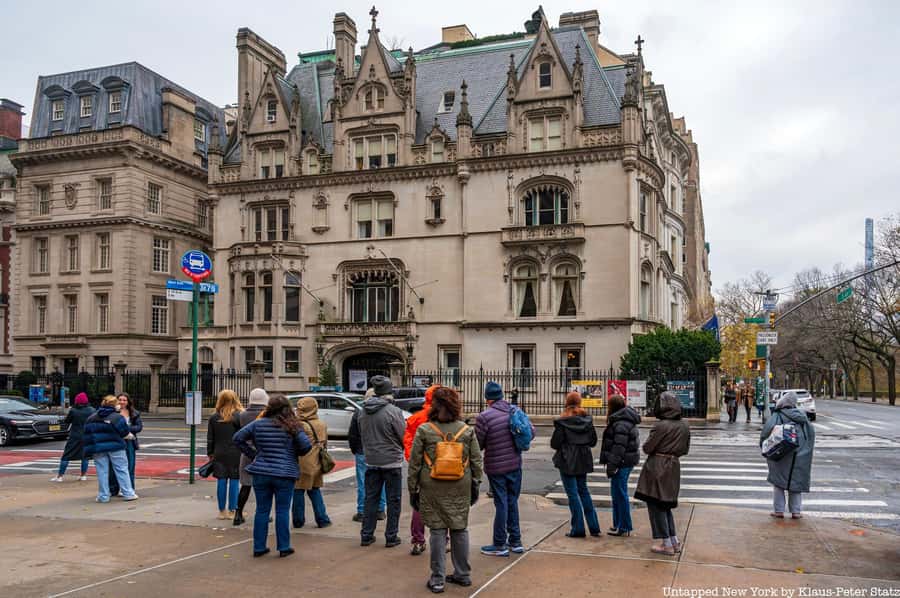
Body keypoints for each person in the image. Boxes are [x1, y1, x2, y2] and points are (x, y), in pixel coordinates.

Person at [408, 387, 484, 594]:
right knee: (460, 528)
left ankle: (438, 579)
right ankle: (462, 574)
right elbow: (477, 461)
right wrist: (476, 483)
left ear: (435, 406)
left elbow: (414, 463)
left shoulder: (425, 430)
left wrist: (412, 489)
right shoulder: (466, 430)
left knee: (437, 530)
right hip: (460, 483)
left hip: (431, 484)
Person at [233, 394, 312, 558]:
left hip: (261, 471)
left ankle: (259, 547)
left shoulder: (258, 424)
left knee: (262, 509)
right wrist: (293, 453)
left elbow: (238, 438)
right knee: (282, 510)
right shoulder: (293, 426)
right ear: (287, 409)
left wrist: (254, 454)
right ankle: (284, 546)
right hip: (285, 472)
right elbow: (306, 446)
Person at [475, 381, 533, 557]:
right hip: (515, 463)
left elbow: (479, 444)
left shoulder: (484, 417)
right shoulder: (514, 410)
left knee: (501, 503)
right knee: (512, 501)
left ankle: (499, 543)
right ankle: (515, 541)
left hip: (496, 466)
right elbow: (531, 431)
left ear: (487, 399)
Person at [634, 391, 690, 556]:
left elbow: (647, 448)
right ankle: (673, 540)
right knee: (666, 504)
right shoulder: (685, 425)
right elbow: (685, 449)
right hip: (673, 466)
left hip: (657, 466)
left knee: (656, 504)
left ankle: (666, 543)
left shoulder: (660, 425)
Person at [358, 375, 406, 548]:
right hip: (391, 461)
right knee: (394, 500)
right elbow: (403, 436)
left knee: (371, 499)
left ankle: (366, 535)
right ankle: (391, 536)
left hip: (371, 459)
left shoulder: (363, 411)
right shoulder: (393, 412)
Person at [550, 392, 600, 538]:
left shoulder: (563, 421)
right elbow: (593, 441)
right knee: (583, 491)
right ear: (580, 402)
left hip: (567, 458)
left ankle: (578, 528)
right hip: (583, 458)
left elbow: (555, 443)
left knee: (572, 494)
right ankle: (594, 526)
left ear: (567, 402)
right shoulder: (587, 420)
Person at [760, 391, 815, 519]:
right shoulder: (802, 417)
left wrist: (764, 446)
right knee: (796, 483)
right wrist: (804, 451)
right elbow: (811, 436)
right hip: (800, 455)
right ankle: (796, 512)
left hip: (781, 454)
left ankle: (779, 511)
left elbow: (765, 433)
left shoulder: (777, 416)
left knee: (779, 482)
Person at [599, 394, 641, 537]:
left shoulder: (620, 422)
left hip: (621, 462)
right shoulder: (622, 419)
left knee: (620, 493)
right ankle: (618, 524)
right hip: (625, 461)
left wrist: (612, 466)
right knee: (617, 493)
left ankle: (624, 526)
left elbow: (619, 447)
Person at [83, 395, 138, 503]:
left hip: (98, 447)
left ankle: (103, 495)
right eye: (117, 403)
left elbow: (87, 434)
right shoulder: (117, 417)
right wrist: (131, 436)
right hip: (116, 446)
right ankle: (128, 493)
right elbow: (124, 432)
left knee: (102, 471)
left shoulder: (92, 417)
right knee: (121, 469)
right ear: (114, 405)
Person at [404, 385, 438, 555]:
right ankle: (443, 540)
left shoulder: (416, 418)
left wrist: (413, 461)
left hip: (421, 466)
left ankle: (418, 540)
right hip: (442, 466)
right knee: (443, 505)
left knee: (419, 504)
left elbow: (408, 443)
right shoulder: (447, 417)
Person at [292, 396, 332, 529]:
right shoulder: (322, 424)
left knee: (298, 492)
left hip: (302, 462)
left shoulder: (299, 425)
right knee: (315, 491)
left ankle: (298, 520)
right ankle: (322, 519)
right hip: (317, 463)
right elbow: (325, 443)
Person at [349, 388, 387, 522]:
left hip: (363, 450)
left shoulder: (359, 412)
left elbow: (353, 434)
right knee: (380, 481)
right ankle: (380, 510)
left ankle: (362, 510)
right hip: (380, 451)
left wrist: (355, 449)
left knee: (363, 482)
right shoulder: (386, 411)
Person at [207, 389, 244, 520]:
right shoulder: (239, 416)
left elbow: (210, 438)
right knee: (234, 480)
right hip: (236, 452)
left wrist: (210, 453)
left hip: (219, 452)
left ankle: (221, 511)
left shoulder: (214, 417)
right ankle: (232, 510)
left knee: (221, 481)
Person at [234, 387, 268, 526]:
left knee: (246, 486)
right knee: (264, 488)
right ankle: (263, 514)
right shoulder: (266, 414)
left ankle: (238, 514)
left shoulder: (242, 415)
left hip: (247, 453)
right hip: (264, 452)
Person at [51, 392, 95, 482]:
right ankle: (83, 476)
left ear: (76, 401)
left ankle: (60, 476)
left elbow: (67, 421)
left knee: (66, 456)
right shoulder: (92, 410)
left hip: (75, 435)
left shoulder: (74, 411)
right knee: (85, 457)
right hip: (87, 436)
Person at [109, 392, 142, 495]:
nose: (122, 402)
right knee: (114, 466)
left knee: (130, 466)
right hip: (116, 441)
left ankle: (129, 489)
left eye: (124, 400)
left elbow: (139, 427)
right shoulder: (113, 412)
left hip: (130, 442)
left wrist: (126, 428)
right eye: (120, 399)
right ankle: (113, 489)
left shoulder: (134, 413)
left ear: (128, 402)